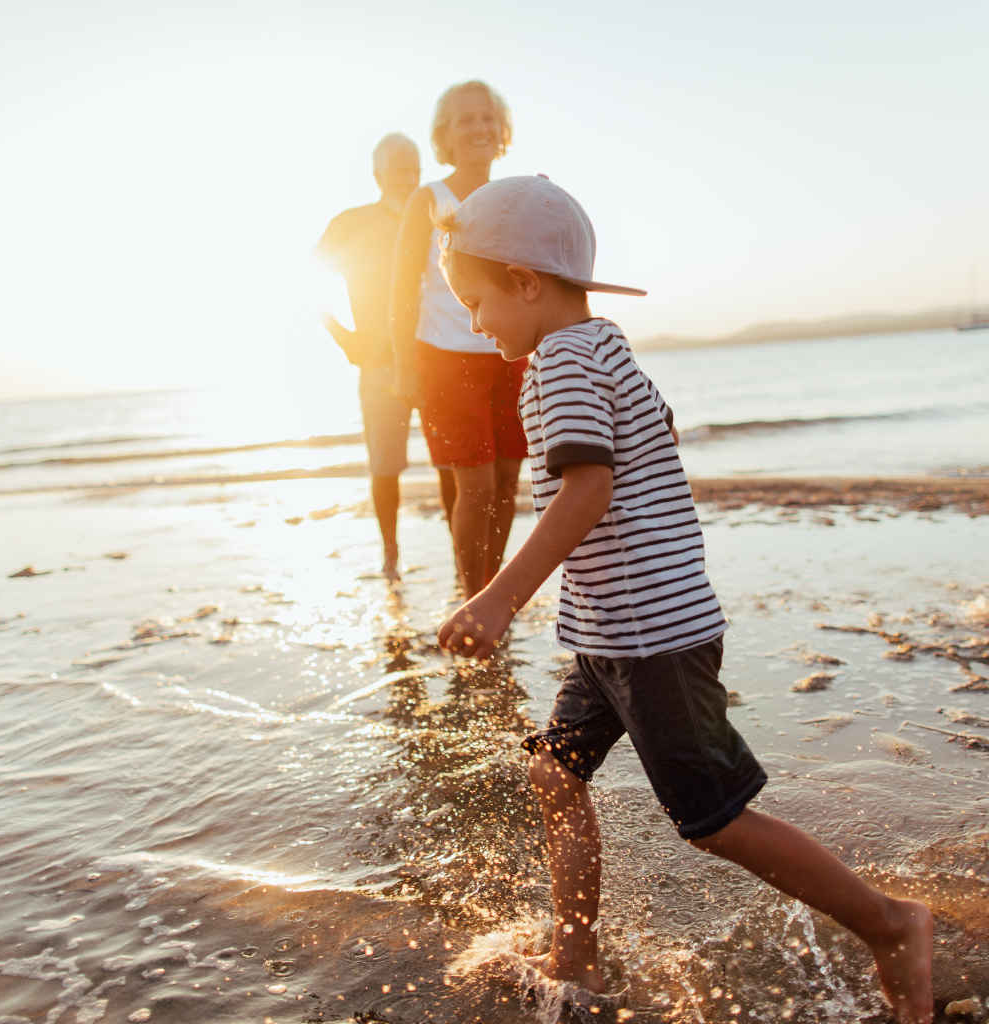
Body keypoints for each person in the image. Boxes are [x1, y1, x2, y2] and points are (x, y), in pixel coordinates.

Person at [435, 176, 934, 1024]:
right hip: (613, 634)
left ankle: (890, 926)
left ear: (524, 282)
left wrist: (499, 598)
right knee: (554, 772)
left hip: (649, 638)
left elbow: (587, 489)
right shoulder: (605, 347)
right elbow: (654, 445)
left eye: (476, 302)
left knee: (714, 820)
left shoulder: (559, 361)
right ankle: (576, 956)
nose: (476, 325)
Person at [390, 81, 527, 598]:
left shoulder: (515, 197)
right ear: (445, 134)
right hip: (445, 358)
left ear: (502, 129)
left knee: (509, 486)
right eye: (465, 120)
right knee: (476, 486)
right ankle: (474, 598)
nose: (479, 128)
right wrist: (405, 366)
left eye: (487, 118)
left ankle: (492, 593)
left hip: (510, 356)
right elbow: (402, 290)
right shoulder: (429, 199)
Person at [317, 133, 454, 580]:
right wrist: (343, 338)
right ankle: (391, 558)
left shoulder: (437, 217)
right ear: (377, 174)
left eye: (414, 167)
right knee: (385, 465)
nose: (407, 176)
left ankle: (460, 553)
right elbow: (309, 281)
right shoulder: (350, 223)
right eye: (397, 168)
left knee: (452, 460)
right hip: (377, 362)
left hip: (436, 353)